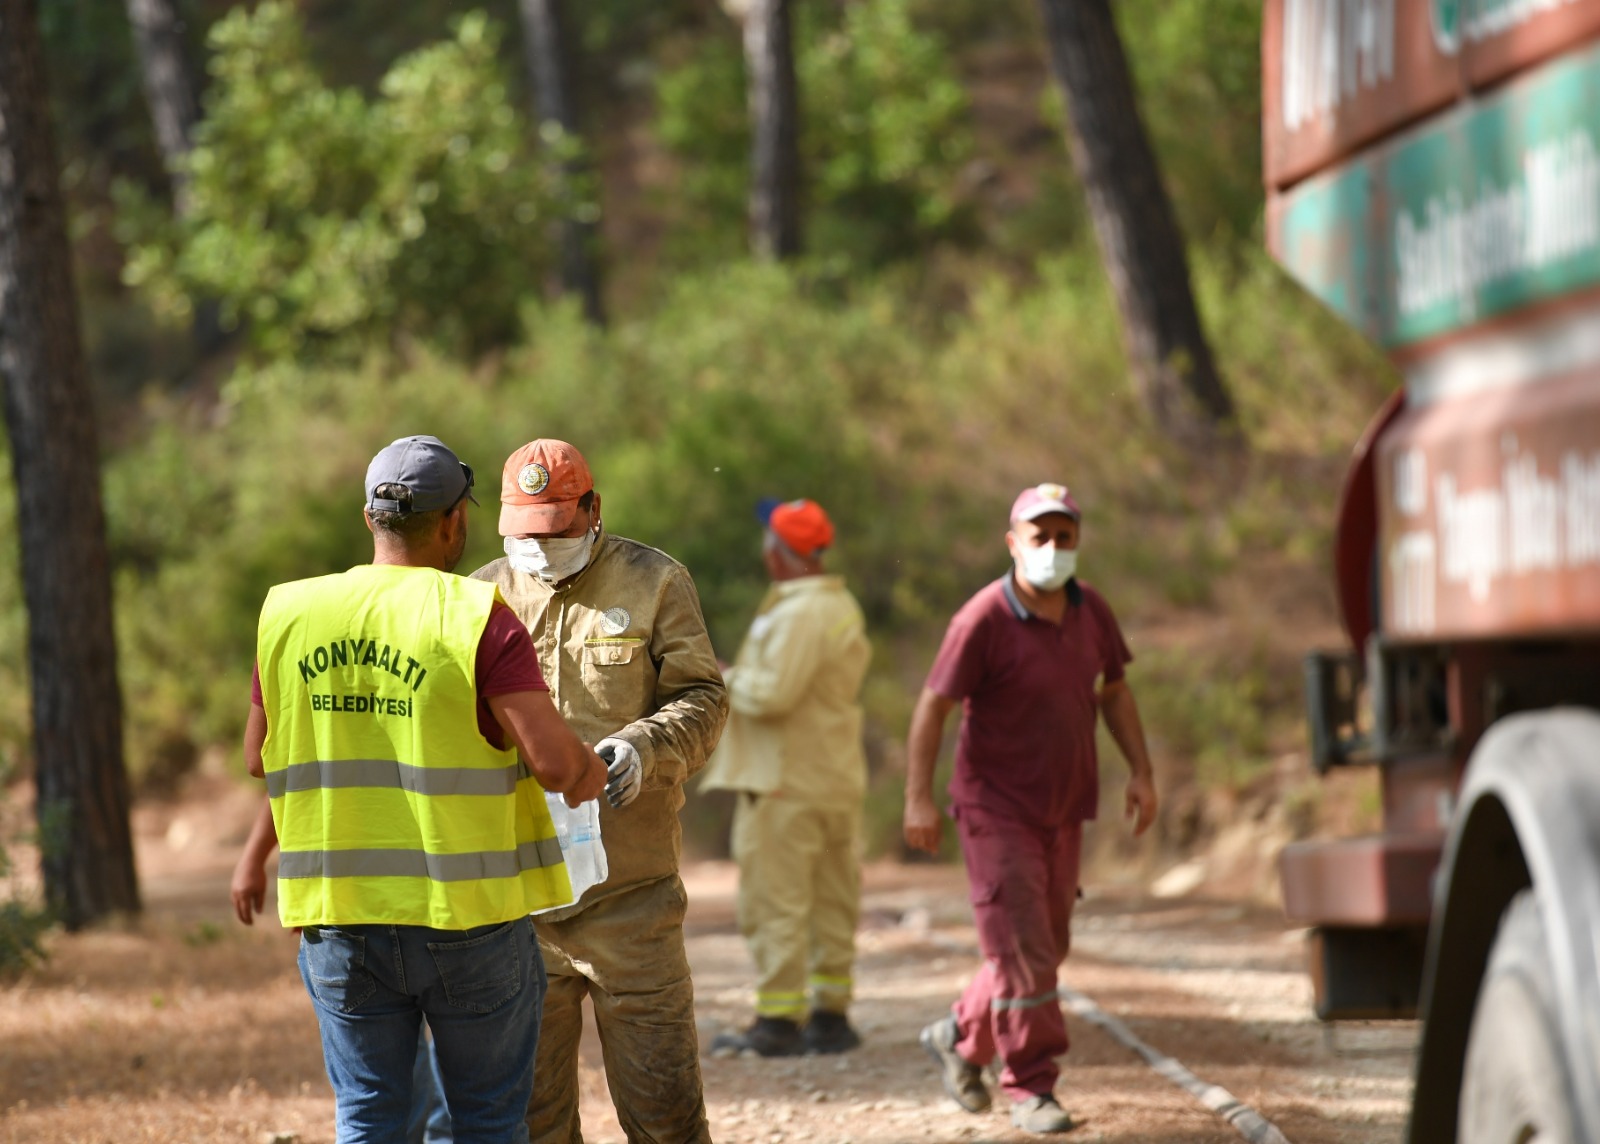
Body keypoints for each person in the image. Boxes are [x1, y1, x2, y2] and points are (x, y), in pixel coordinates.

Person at [241, 434, 608, 1144]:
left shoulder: (287, 613)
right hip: (466, 916)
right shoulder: (475, 616)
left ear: (369, 517)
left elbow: (258, 757)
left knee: (371, 1117)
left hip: (340, 914)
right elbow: (558, 766)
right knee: (486, 1121)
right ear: (454, 522)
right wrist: (594, 768)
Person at [472, 438, 729, 1143]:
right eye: (527, 534)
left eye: (557, 530)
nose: (542, 548)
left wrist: (646, 748)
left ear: (593, 510)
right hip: (516, 908)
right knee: (530, 1123)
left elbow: (705, 697)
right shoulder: (477, 595)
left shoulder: (655, 582)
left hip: (631, 901)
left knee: (666, 1117)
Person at [902, 482, 1158, 1137]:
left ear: (1077, 542)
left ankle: (961, 1034)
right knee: (1025, 953)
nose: (1051, 548)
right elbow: (933, 708)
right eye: (1038, 536)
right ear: (1013, 543)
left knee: (1045, 945)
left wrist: (1141, 771)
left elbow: (1115, 691)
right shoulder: (982, 619)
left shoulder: (1091, 610)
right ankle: (1031, 1087)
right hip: (995, 808)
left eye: (1063, 536)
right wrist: (917, 799)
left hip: (1065, 807)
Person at [701, 498, 872, 1057]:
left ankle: (778, 1021)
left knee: (776, 902)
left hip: (784, 782)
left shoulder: (799, 613)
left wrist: (724, 678)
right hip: (832, 777)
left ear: (779, 553)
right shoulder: (838, 603)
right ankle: (831, 1015)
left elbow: (772, 694)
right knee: (832, 899)